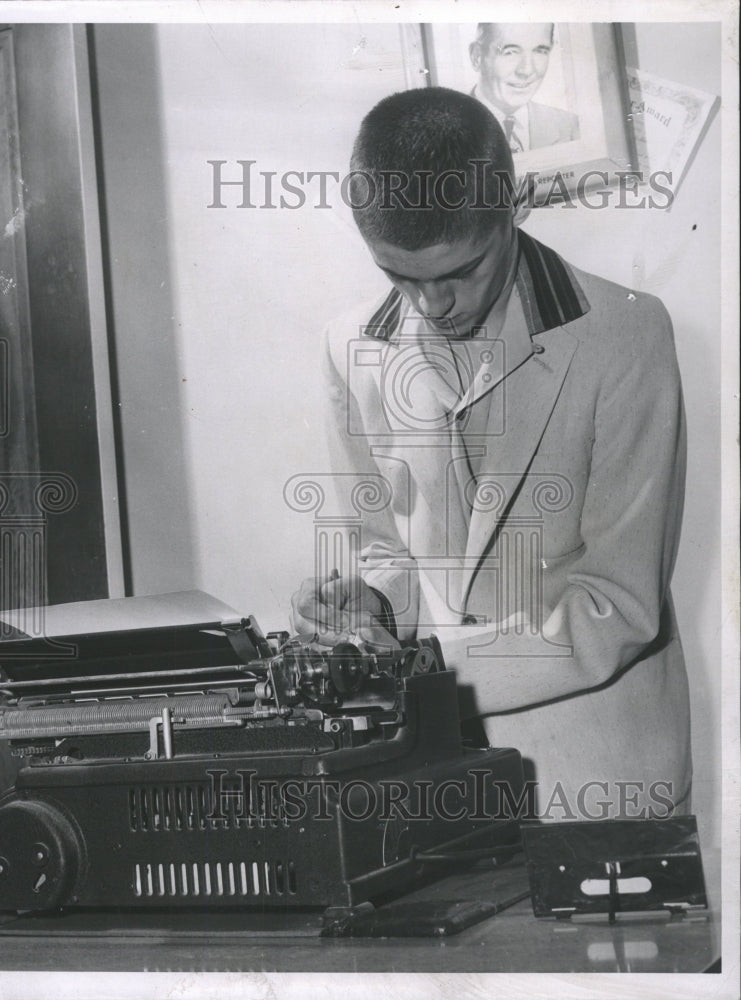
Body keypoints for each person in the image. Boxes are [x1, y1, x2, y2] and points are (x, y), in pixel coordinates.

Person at [291, 87, 691, 821]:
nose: (431, 306)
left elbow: (619, 605)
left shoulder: (627, 336)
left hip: (597, 778)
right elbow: (384, 551)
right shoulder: (346, 347)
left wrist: (425, 668)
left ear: (515, 206)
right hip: (427, 778)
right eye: (399, 277)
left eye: (459, 272)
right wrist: (372, 605)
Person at [469, 22, 579, 152]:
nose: (526, 71)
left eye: (540, 51)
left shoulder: (571, 127)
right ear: (477, 57)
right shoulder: (444, 129)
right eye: (510, 52)